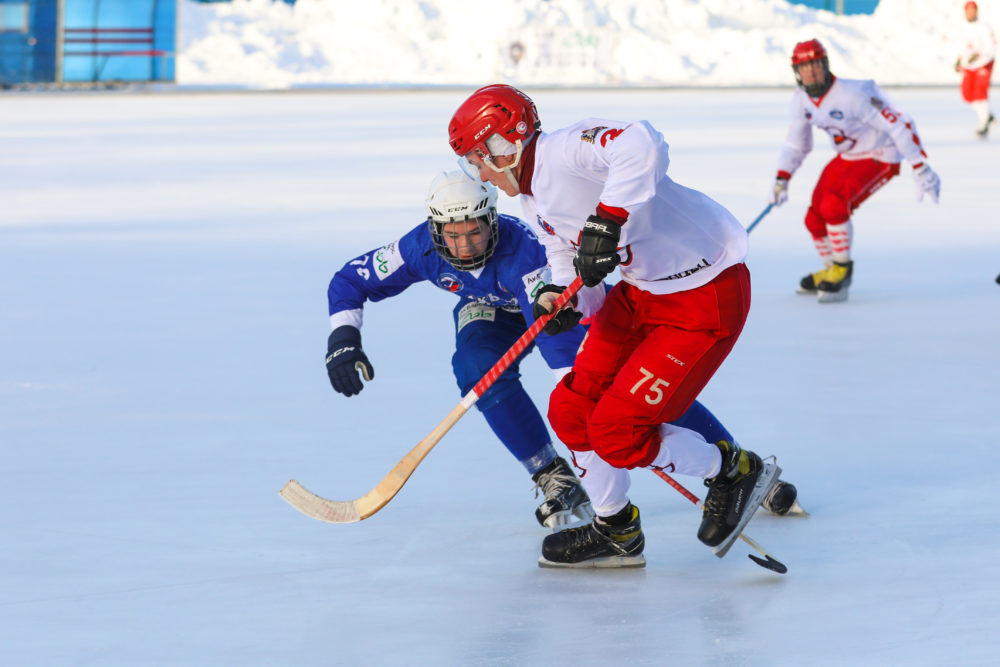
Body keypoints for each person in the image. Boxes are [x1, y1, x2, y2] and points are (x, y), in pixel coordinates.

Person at [325, 170, 794, 532]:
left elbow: (565, 365)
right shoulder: (418, 247)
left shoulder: (526, 255)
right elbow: (350, 279)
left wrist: (584, 411)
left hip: (554, 300)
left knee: (623, 388)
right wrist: (343, 337)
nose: (465, 246)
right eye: (453, 235)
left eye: (475, 232)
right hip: (489, 307)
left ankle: (734, 462)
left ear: (492, 220)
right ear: (434, 230)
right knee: (474, 366)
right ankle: (554, 476)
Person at [447, 84, 787, 568]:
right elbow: (570, 268)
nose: (477, 173)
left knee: (617, 434)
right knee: (569, 411)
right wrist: (560, 301)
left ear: (504, 146)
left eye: (476, 160)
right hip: (640, 294)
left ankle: (735, 470)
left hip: (703, 294)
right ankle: (617, 530)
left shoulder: (565, 151)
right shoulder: (530, 199)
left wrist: (606, 221)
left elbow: (642, 143)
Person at [768, 39, 942, 303]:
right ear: (796, 72)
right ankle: (831, 269)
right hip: (848, 156)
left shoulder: (853, 95)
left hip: (879, 155)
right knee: (813, 218)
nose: (811, 72)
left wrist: (919, 165)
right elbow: (797, 143)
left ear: (825, 65)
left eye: (815, 65)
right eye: (805, 67)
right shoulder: (801, 99)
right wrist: (783, 177)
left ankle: (842, 271)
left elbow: (899, 124)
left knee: (832, 205)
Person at [955, 1, 997, 138]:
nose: (971, 13)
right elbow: (961, 47)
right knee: (967, 95)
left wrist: (979, 55)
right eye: (969, 11)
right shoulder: (962, 28)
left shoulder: (984, 28)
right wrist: (959, 61)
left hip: (983, 63)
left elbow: (991, 47)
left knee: (980, 93)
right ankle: (987, 116)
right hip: (969, 65)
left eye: (973, 11)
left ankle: (983, 124)